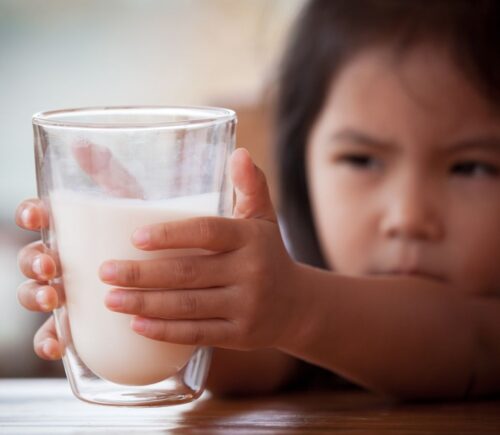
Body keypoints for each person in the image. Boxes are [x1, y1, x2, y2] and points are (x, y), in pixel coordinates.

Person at [16, 0, 500, 400]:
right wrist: (170, 290)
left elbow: (469, 344)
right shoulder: (302, 299)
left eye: (472, 167)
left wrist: (294, 305)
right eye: (362, 161)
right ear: (300, 159)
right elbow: (259, 360)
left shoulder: (314, 306)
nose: (408, 217)